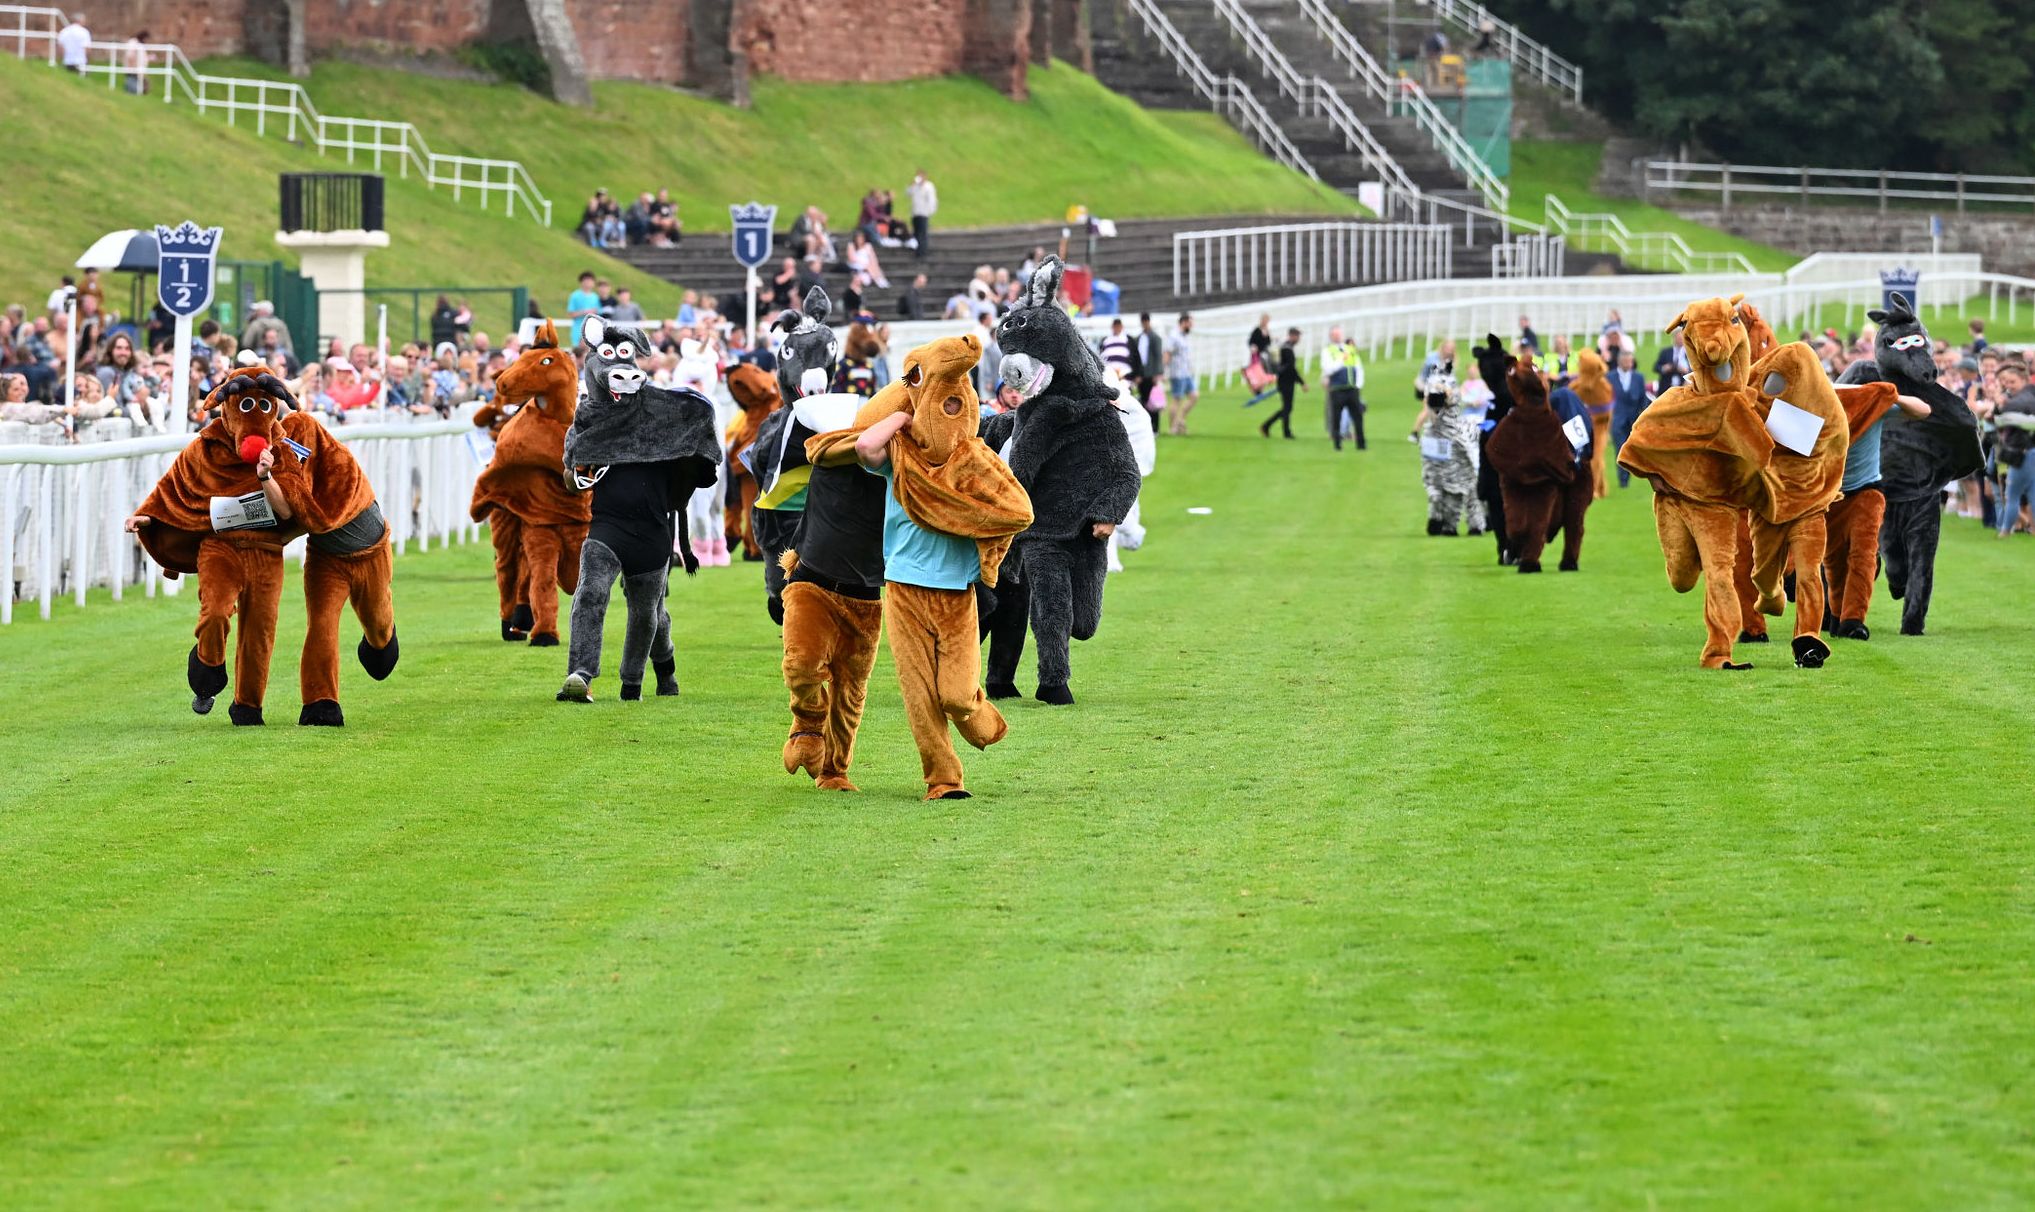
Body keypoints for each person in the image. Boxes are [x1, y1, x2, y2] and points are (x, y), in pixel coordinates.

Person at [1608, 347, 1651, 488]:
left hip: (1633, 420)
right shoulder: (1610, 377)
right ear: (1619, 361)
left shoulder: (1638, 378)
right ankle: (1623, 480)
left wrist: (1643, 417)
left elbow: (1642, 399)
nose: (1628, 363)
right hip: (1617, 420)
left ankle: (1628, 475)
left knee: (1631, 450)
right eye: (1625, 360)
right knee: (1620, 449)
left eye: (1630, 360)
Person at [1321, 326, 1364, 451]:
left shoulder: (1350, 349)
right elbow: (1328, 369)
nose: (1338, 337)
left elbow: (1358, 367)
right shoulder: (1328, 351)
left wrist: (1358, 385)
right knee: (1336, 417)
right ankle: (1337, 444)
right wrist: (1341, 360)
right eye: (1335, 335)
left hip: (1351, 388)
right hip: (1337, 388)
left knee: (1358, 416)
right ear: (1331, 336)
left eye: (1339, 334)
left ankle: (1361, 444)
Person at [1262, 328, 1305, 439]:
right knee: (1287, 408)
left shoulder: (1285, 347)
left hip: (1284, 381)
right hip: (1286, 382)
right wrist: (1302, 382)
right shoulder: (1288, 349)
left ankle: (1285, 432)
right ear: (1292, 336)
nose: (1299, 339)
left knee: (1287, 408)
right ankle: (1268, 426)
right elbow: (1291, 368)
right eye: (1298, 336)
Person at [1164, 313, 1198, 436]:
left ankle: (1180, 420)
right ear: (1183, 322)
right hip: (1177, 373)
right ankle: (1172, 427)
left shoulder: (1185, 336)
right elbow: (1167, 353)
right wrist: (1164, 371)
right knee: (1176, 399)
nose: (1191, 326)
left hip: (1186, 372)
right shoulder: (1174, 336)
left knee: (1194, 396)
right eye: (1190, 323)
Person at [1132, 313, 1165, 426]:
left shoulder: (1155, 338)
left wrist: (1158, 373)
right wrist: (1136, 374)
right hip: (1142, 375)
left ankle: (1155, 427)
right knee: (1144, 400)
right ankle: (1146, 425)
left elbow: (1158, 357)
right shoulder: (1138, 338)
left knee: (1153, 402)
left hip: (1152, 374)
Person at [907, 170, 937, 258]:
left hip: (924, 213)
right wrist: (912, 184)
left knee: (922, 233)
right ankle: (917, 251)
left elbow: (932, 200)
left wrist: (930, 211)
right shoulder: (915, 186)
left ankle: (922, 251)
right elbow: (908, 193)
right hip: (915, 213)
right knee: (916, 233)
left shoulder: (929, 186)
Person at [566, 272, 601, 346]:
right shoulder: (575, 296)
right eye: (586, 281)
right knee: (578, 351)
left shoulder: (596, 297)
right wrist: (584, 312)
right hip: (578, 329)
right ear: (581, 282)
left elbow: (599, 313)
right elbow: (570, 313)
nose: (588, 283)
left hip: (592, 330)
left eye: (590, 281)